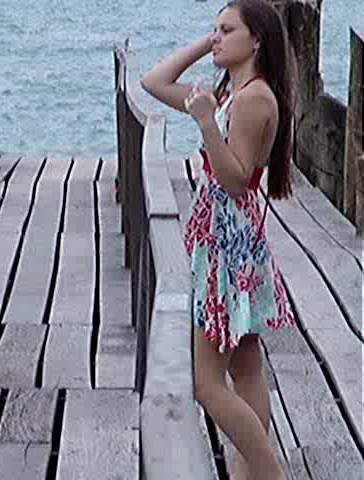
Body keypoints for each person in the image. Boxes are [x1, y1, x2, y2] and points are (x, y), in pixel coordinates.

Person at [140, 1, 297, 479]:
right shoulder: (232, 92)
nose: (217, 37)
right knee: (245, 367)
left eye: (227, 30)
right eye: (215, 29)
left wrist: (208, 123)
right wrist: (205, 45)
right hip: (226, 237)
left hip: (228, 243)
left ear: (257, 40)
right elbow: (153, 82)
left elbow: (235, 179)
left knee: (207, 384)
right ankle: (253, 475)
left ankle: (269, 474)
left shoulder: (252, 100)